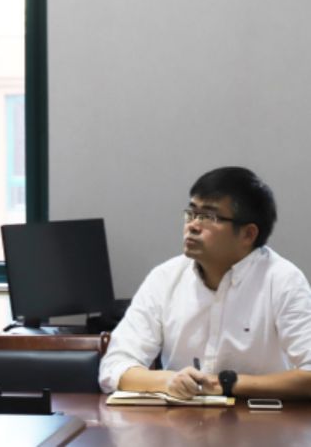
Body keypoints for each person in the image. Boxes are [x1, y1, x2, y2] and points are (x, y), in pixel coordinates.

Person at [99, 167, 311, 399]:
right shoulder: (165, 278)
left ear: (248, 234)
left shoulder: (283, 281)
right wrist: (168, 381)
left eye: (209, 217)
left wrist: (228, 385)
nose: (193, 225)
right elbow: (114, 366)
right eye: (191, 213)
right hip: (181, 417)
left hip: (260, 418)